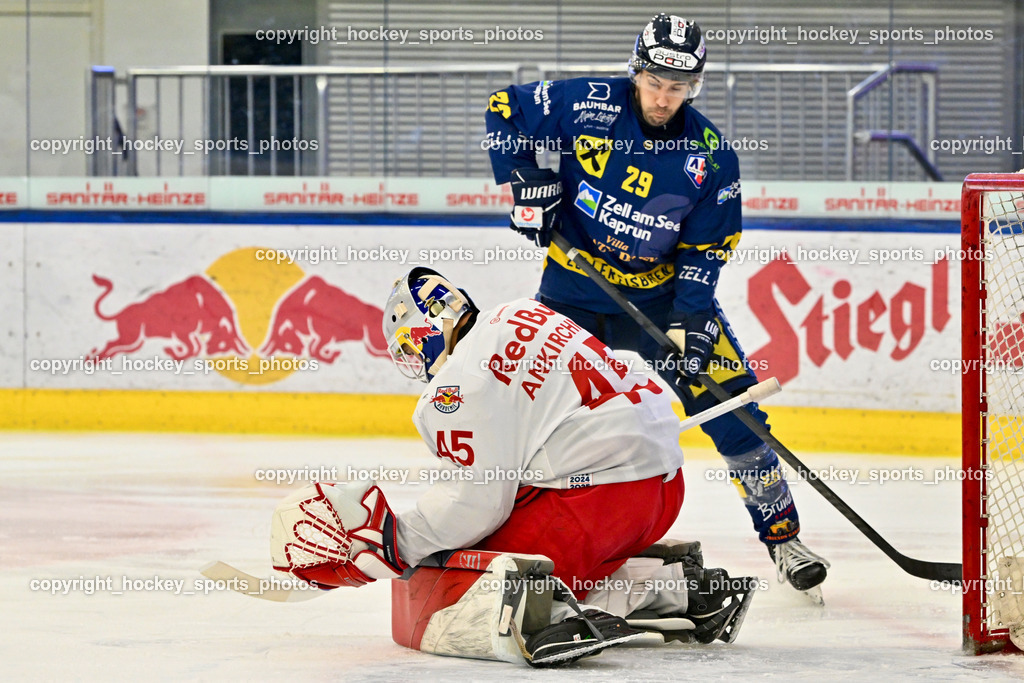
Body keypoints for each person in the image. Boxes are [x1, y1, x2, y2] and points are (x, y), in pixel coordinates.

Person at [484, 12, 829, 595]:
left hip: (664, 303)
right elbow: (502, 108)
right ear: (635, 72)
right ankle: (499, 528)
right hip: (574, 292)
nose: (664, 98)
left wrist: (693, 317)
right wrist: (524, 182)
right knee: (527, 410)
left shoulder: (713, 158)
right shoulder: (588, 102)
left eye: (678, 87)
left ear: (693, 87)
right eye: (654, 83)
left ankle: (784, 538)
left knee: (736, 412)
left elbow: (708, 246)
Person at [269, 267, 755, 667]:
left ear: (428, 329)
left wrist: (395, 542)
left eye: (411, 347)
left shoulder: (455, 388)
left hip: (599, 502)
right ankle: (680, 590)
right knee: (552, 549)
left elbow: (475, 504)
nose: (417, 362)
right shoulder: (518, 311)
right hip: (663, 488)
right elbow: (623, 366)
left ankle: (552, 617)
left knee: (459, 579)